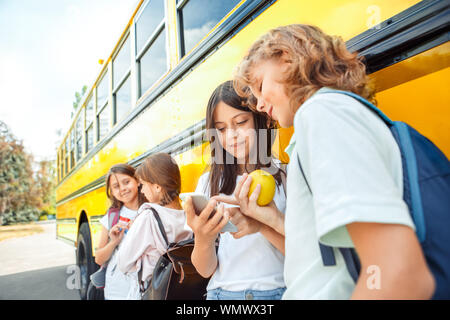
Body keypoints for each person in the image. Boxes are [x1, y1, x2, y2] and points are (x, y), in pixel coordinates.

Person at [233, 24, 435, 299]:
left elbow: (395, 271)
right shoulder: (336, 114)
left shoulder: (321, 114)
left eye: (259, 86)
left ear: (286, 58)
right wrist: (271, 221)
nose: (258, 105)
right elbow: (331, 257)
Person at [184, 80, 287, 300]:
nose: (231, 135)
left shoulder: (286, 177)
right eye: (221, 129)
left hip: (278, 292)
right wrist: (203, 237)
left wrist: (262, 226)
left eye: (240, 122)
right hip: (222, 294)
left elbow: (303, 253)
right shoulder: (209, 183)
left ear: (260, 119)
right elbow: (204, 270)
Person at [117, 153, 192, 299]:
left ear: (157, 187)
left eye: (144, 185)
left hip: (155, 292)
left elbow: (123, 263)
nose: (142, 191)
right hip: (183, 292)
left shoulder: (149, 217)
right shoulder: (190, 214)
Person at [95, 163, 148, 300]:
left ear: (137, 181)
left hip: (146, 282)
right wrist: (114, 242)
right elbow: (99, 258)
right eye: (116, 186)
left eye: (126, 182)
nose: (123, 189)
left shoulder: (151, 210)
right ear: (111, 192)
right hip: (117, 286)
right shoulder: (112, 217)